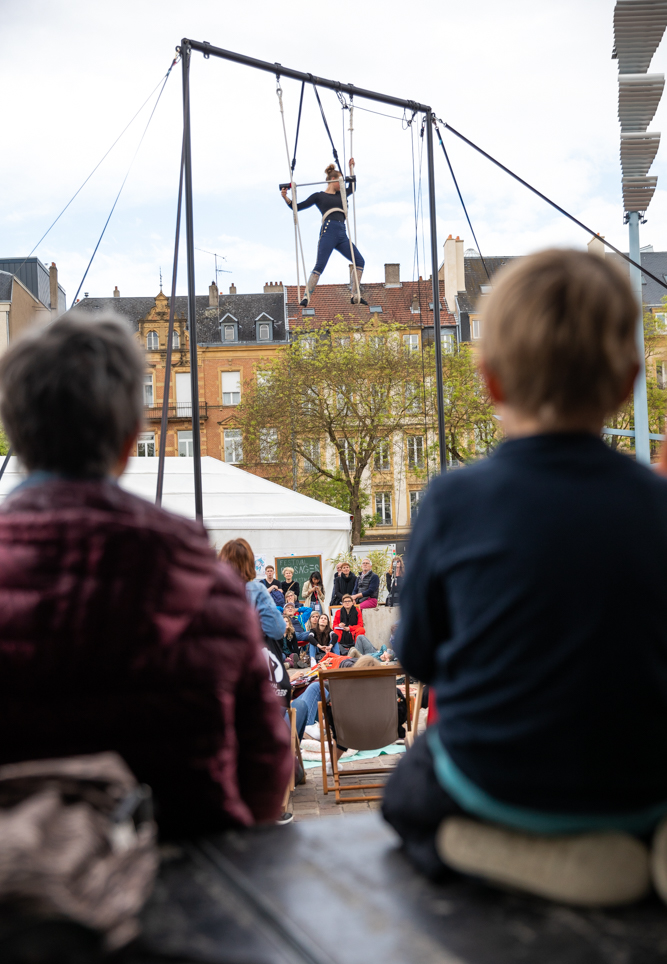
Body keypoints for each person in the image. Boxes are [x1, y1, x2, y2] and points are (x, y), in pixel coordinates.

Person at [382, 248, 667, 908]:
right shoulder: (658, 503)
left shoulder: (452, 500)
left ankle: (499, 848)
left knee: (407, 791)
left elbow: (417, 654)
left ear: (490, 383)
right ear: (627, 382)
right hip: (644, 780)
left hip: (500, 781)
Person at [0, 312, 291, 838]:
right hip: (188, 871)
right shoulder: (202, 578)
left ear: (16, 430)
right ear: (132, 435)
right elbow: (266, 772)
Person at [281, 159, 366, 306]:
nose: (341, 184)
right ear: (333, 180)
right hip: (328, 232)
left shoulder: (342, 196)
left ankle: (355, 294)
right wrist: (286, 197)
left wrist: (351, 169)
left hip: (341, 234)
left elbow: (352, 187)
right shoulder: (319, 196)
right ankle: (306, 296)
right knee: (320, 265)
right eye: (339, 181)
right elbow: (297, 207)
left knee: (360, 261)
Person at [219, 540, 286, 644]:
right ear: (250, 563)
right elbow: (278, 630)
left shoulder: (207, 588)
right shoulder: (257, 589)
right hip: (246, 650)